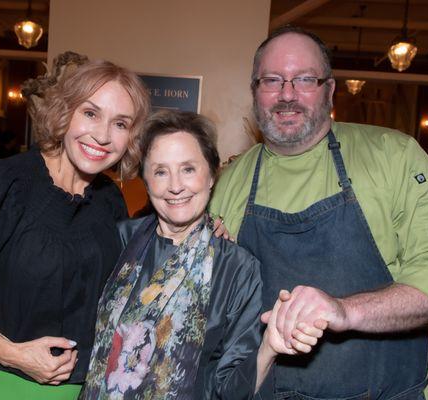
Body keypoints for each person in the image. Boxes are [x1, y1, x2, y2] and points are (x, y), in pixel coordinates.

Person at [209, 26, 428, 400]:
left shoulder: (393, 156)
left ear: (330, 89)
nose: (287, 94)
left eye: (304, 79)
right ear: (254, 92)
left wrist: (345, 311)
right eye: (272, 80)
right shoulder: (232, 180)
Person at [0, 53, 150, 399]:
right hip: (1, 383)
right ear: (65, 112)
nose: (102, 135)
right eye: (90, 113)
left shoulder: (111, 201)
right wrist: (12, 353)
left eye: (120, 123)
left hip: (85, 388)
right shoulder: (0, 185)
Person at [80, 110, 315, 399]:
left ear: (212, 174)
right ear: (146, 180)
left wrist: (267, 349)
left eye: (188, 169)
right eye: (161, 171)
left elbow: (230, 389)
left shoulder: (237, 269)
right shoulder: (118, 240)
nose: (175, 186)